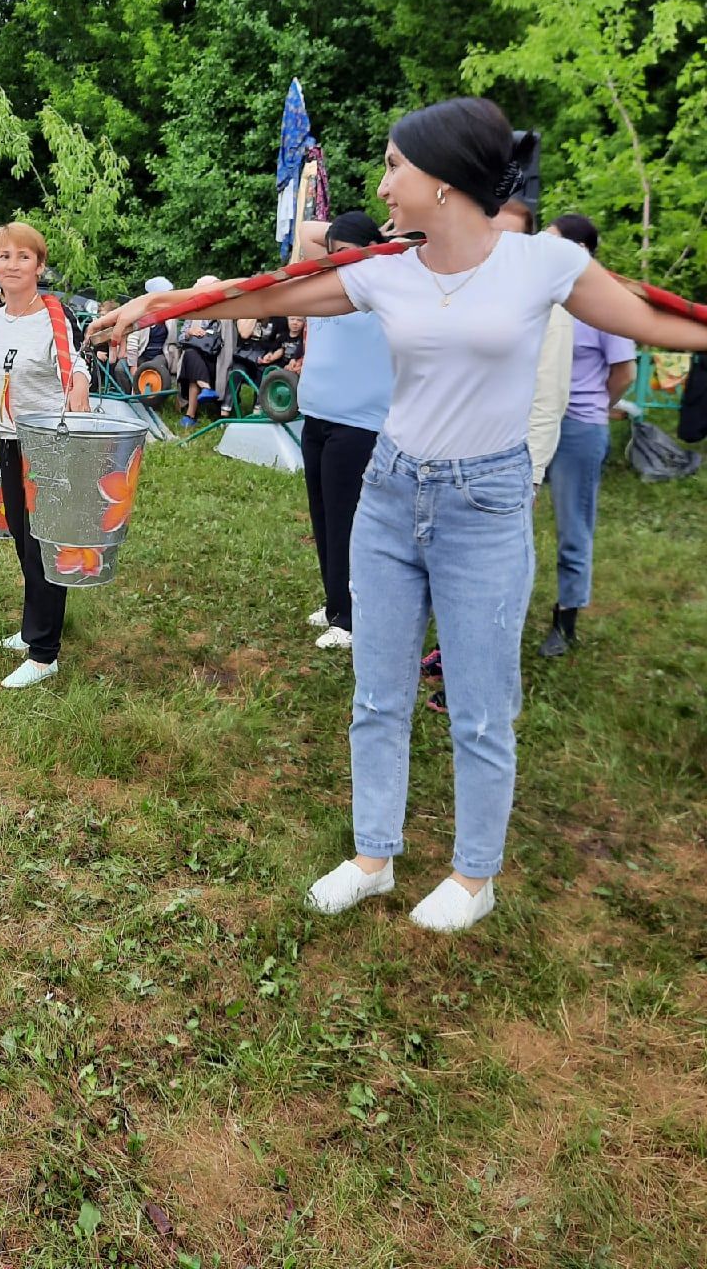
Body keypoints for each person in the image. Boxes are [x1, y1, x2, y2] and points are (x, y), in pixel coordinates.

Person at [91, 96, 707, 933]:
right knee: (377, 694)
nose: (383, 184)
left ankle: (473, 874)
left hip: (484, 506)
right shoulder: (386, 269)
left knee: (484, 704)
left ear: (445, 180)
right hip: (389, 494)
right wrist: (155, 310)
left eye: (393, 165)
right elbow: (269, 297)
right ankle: (373, 856)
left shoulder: (542, 265)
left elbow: (657, 319)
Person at [419, 192, 573, 712]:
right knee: (447, 570)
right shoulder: (459, 285)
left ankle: (478, 686)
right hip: (443, 463)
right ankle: (450, 653)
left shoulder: (544, 301)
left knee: (492, 588)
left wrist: (530, 473)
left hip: (506, 466)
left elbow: (548, 395)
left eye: (513, 234)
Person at [0, 221, 91, 689]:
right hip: (8, 440)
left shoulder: (52, 314)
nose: (13, 264)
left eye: (24, 256)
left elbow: (75, 365)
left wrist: (79, 391)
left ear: (39, 266)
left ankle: (44, 654)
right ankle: (34, 627)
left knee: (44, 543)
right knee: (25, 542)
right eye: (4, 256)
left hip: (45, 445)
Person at [539, 214, 637, 658]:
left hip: (578, 427)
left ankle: (566, 619)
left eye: (553, 241)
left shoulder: (602, 303)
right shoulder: (542, 293)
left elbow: (624, 372)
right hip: (532, 422)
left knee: (572, 527)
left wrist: (595, 404)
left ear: (580, 251)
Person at [295, 211, 393, 651]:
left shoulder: (380, 285)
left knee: (345, 520)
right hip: (316, 415)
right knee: (322, 515)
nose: (336, 261)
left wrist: (380, 242)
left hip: (358, 424)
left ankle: (350, 618)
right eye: (332, 254)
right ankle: (335, 600)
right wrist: (342, 245)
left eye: (345, 254)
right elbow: (304, 233)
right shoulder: (328, 283)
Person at [175, 278, 224, 428]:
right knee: (191, 356)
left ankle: (190, 416)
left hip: (214, 358)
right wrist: (190, 332)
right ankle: (205, 388)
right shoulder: (193, 313)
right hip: (195, 356)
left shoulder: (223, 313)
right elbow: (180, 338)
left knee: (191, 359)